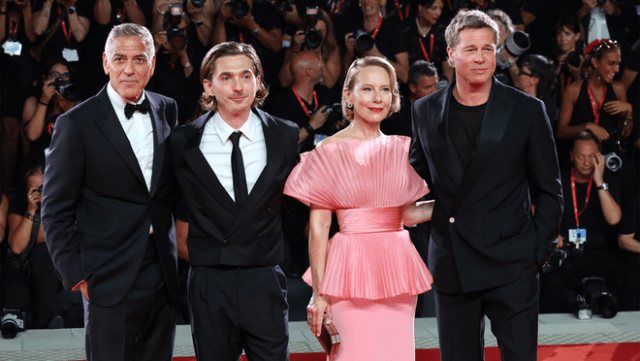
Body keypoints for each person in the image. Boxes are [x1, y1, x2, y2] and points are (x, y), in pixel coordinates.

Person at [410, 10, 563, 361]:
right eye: (471, 49)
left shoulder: (527, 110)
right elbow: (414, 179)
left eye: (488, 49)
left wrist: (536, 251)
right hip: (453, 262)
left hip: (512, 263)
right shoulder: (425, 110)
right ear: (450, 54)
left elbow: (549, 189)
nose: (481, 58)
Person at [42, 23, 180, 360]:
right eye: (120, 59)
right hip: (106, 274)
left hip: (162, 269)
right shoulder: (75, 123)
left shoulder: (167, 109)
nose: (129, 69)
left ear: (152, 64)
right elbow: (55, 209)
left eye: (139, 59)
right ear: (105, 63)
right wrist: (77, 277)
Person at [284, 56, 434, 360]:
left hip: (397, 270)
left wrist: (454, 201)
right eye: (367, 89)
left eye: (385, 89)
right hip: (349, 271)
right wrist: (318, 293)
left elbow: (406, 215)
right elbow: (319, 226)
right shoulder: (328, 150)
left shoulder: (399, 148)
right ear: (349, 96)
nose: (377, 98)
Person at [171, 41, 299, 361]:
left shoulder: (285, 135)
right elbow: (165, 208)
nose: (238, 86)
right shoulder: (183, 143)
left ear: (258, 81)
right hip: (209, 283)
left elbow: (299, 207)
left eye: (246, 75)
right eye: (226, 77)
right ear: (208, 86)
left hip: (264, 276)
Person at [539, 131, 637, 313]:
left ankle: (623, 335)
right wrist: (549, 232)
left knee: (629, 278)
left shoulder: (607, 179)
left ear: (599, 156)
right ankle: (552, 336)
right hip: (563, 253)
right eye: (581, 156)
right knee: (547, 283)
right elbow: (534, 208)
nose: (586, 162)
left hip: (594, 252)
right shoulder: (557, 178)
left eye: (592, 157)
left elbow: (614, 219)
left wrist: (599, 181)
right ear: (571, 156)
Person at [556, 39, 632, 165]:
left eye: (618, 64)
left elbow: (624, 135)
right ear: (595, 62)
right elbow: (560, 132)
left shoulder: (619, 89)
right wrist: (586, 127)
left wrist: (629, 112)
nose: (617, 69)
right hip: (581, 158)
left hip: (609, 158)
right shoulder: (573, 90)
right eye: (611, 63)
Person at [342, 0, 409, 83]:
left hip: (385, 88)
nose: (366, 2)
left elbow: (405, 76)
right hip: (360, 88)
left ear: (382, 1)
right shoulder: (351, 30)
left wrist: (378, 56)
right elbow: (344, 81)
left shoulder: (393, 30)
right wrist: (349, 55)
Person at [278, 8, 341, 90]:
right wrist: (296, 50)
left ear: (327, 33)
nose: (315, 35)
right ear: (305, 31)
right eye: (312, 31)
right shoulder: (297, 47)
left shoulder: (332, 50)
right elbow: (284, 82)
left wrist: (318, 55)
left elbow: (328, 85)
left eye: (320, 32)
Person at [382, 60, 438, 138]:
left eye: (435, 85)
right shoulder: (395, 112)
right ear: (412, 88)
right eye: (428, 87)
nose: (434, 91)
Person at [403, 0, 452, 83]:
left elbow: (447, 67)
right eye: (434, 8)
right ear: (421, 7)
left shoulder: (442, 30)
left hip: (438, 81)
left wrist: (447, 92)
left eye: (441, 8)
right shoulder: (405, 29)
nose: (438, 13)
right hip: (413, 83)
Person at [512, 54, 559, 128]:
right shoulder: (512, 97)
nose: (517, 73)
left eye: (521, 72)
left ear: (534, 80)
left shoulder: (546, 107)